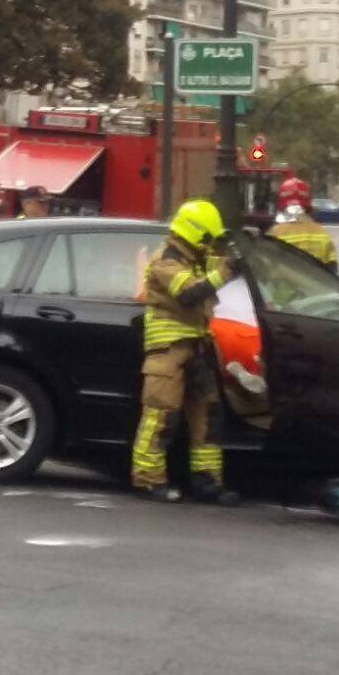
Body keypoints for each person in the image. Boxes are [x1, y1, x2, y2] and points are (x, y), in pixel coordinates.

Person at [131, 199, 240, 507]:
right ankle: (149, 480)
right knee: (161, 416)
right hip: (167, 352)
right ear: (196, 234)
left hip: (197, 347)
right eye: (208, 237)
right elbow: (190, 293)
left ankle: (207, 482)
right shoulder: (166, 260)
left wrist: (239, 251)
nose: (210, 244)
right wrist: (225, 272)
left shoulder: (193, 257)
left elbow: (216, 269)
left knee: (208, 415)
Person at [268, 178, 337, 271]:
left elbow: (268, 267)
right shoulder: (322, 233)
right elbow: (332, 268)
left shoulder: (276, 233)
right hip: (315, 283)